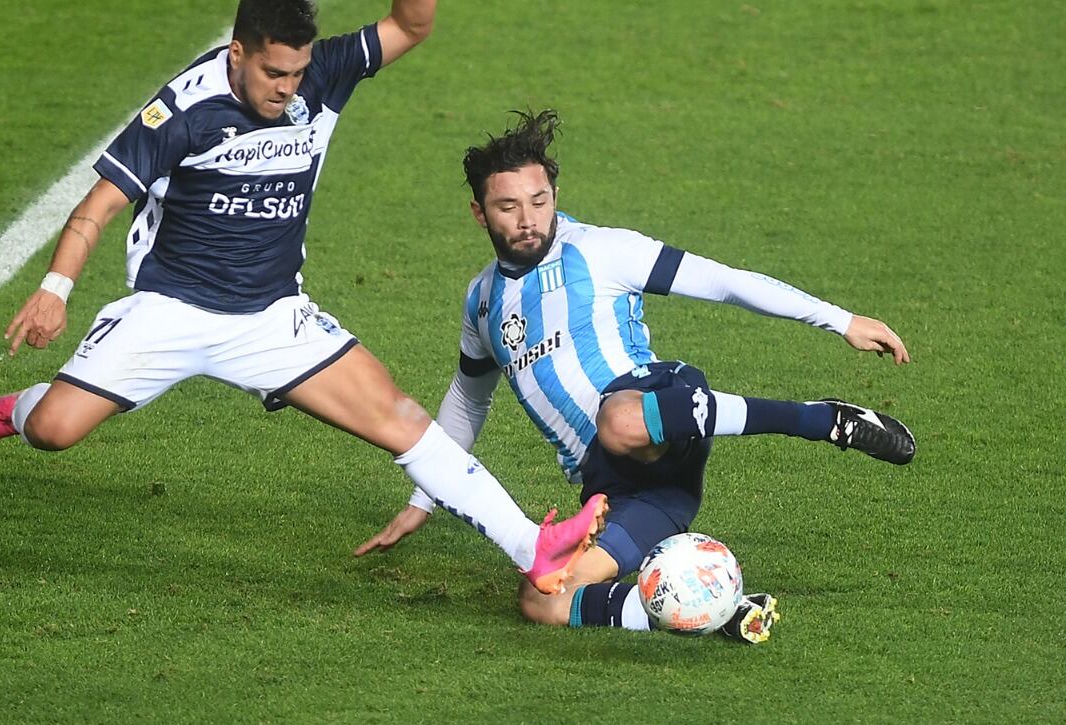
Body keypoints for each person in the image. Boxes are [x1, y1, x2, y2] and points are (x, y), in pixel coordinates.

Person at [0, 0, 608, 597]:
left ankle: (533, 545)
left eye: (296, 74)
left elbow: (413, 23)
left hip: (270, 317)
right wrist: (54, 290)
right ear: (238, 54)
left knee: (399, 416)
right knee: (56, 429)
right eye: (273, 75)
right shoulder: (182, 111)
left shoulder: (317, 75)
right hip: (168, 310)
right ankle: (14, 409)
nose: (287, 90)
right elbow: (96, 206)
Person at [357, 109, 916, 644]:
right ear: (480, 213)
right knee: (542, 598)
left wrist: (840, 320)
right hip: (629, 491)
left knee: (619, 420)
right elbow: (467, 401)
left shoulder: (602, 251)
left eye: (539, 201)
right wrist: (423, 499)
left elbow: (725, 281)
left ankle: (824, 419)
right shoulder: (482, 303)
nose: (528, 219)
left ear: (555, 197)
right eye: (507, 207)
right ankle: (714, 612)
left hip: (658, 405)